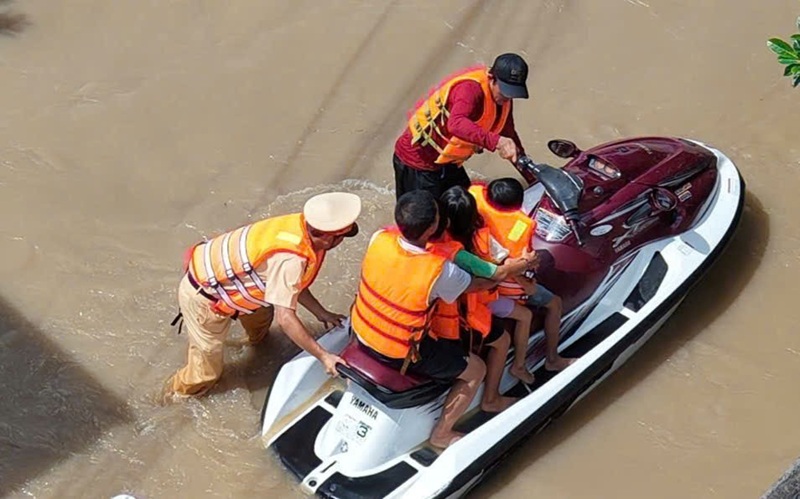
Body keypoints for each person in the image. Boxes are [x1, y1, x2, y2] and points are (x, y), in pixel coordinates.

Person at [164, 192, 362, 399]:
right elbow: (285, 318)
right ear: (329, 238)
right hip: (204, 297)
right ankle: (172, 396)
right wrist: (324, 356)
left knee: (261, 327)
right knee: (206, 372)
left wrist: (322, 313)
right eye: (343, 236)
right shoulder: (291, 261)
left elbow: (294, 285)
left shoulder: (302, 227)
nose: (342, 241)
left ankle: (252, 345)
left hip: (233, 282)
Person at [351, 190, 498, 448]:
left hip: (361, 332)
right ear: (432, 228)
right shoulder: (440, 270)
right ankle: (442, 434)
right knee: (476, 369)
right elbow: (477, 285)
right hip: (398, 354)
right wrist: (505, 272)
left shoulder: (379, 239)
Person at [393, 52, 537, 201]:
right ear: (491, 78)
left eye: (512, 93)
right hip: (418, 161)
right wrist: (497, 142)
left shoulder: (503, 98)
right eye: (505, 91)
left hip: (448, 162)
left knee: (466, 206)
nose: (508, 97)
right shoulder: (469, 90)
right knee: (425, 216)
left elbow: (508, 133)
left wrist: (530, 175)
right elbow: (456, 123)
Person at [469, 179, 577, 373]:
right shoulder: (520, 227)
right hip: (507, 286)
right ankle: (552, 358)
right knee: (554, 303)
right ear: (518, 205)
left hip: (482, 281)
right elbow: (515, 266)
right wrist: (529, 283)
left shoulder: (475, 201)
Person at [440, 185, 536, 385]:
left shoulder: (437, 243)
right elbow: (502, 268)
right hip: (475, 307)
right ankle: (499, 388)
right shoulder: (475, 243)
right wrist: (526, 265)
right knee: (518, 324)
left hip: (446, 308)